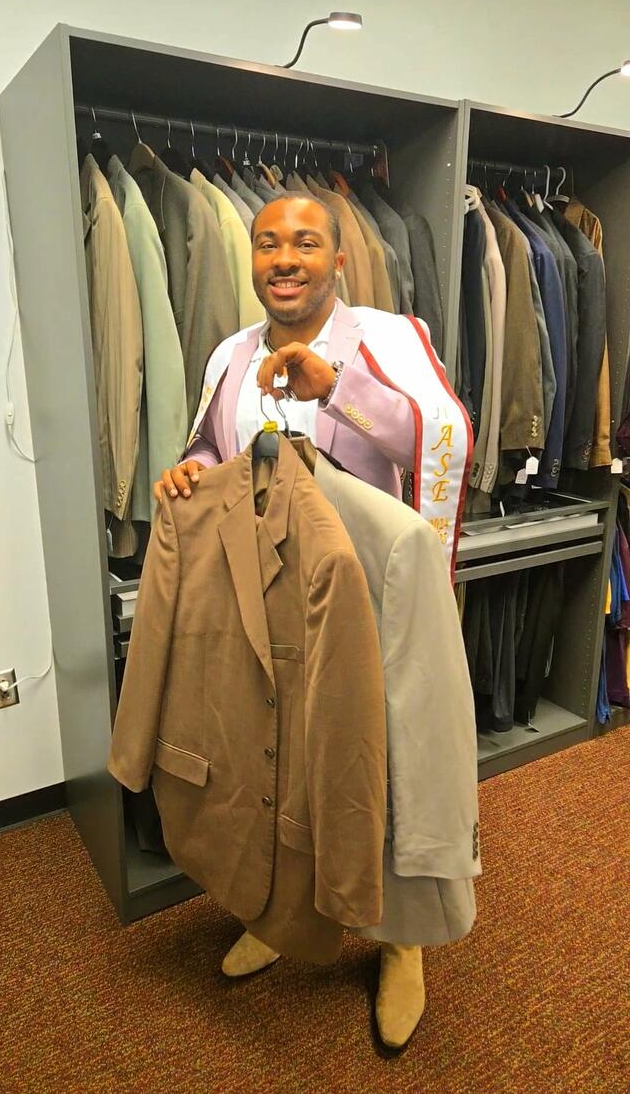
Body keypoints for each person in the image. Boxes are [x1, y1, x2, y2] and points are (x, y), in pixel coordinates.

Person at [153, 194, 470, 1050]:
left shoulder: (391, 338)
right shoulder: (230, 351)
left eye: (304, 242)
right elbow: (210, 449)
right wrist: (186, 472)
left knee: (380, 766)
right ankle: (280, 910)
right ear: (251, 260)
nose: (283, 258)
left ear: (338, 258)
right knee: (278, 755)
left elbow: (445, 441)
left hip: (367, 598)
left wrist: (345, 392)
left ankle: (401, 936)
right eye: (267, 244)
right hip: (262, 598)